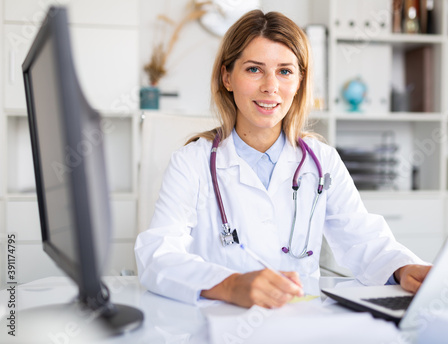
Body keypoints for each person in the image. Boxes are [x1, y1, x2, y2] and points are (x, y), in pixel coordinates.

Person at [135, 9, 431, 309]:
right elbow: (157, 254)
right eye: (254, 69)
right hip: (219, 322)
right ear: (227, 77)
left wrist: (402, 268)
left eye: (285, 71)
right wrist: (230, 285)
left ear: (299, 81)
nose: (270, 86)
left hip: (299, 320)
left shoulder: (321, 161)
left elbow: (363, 239)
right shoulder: (192, 162)